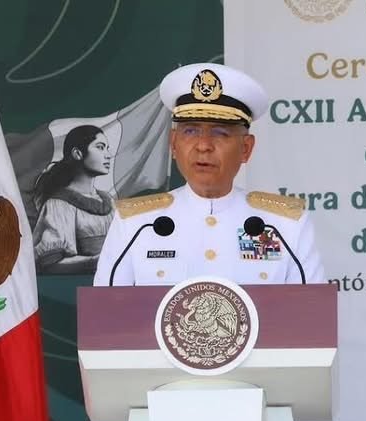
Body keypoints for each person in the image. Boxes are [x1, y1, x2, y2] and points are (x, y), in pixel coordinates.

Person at [92, 63, 324, 286]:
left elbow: (311, 310)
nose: (203, 145)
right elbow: (106, 310)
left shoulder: (284, 226)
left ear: (246, 148)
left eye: (220, 133)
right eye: (190, 131)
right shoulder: (135, 224)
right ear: (173, 144)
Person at [32, 124, 115, 274]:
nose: (108, 155)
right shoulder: (59, 204)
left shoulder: (108, 200)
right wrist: (98, 261)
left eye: (107, 148)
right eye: (100, 147)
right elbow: (50, 263)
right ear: (78, 153)